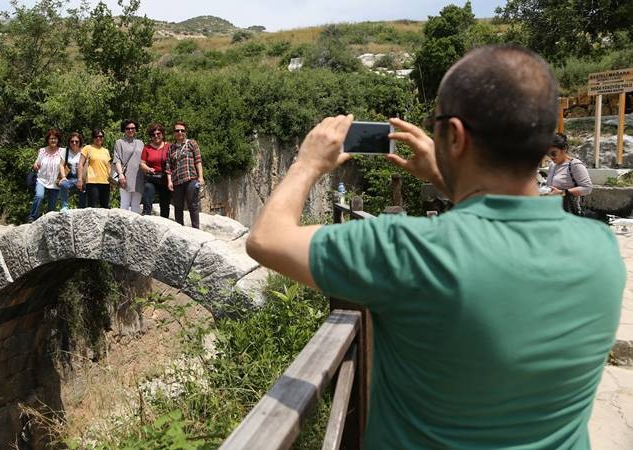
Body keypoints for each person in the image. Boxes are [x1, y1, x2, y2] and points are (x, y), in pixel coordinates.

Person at [246, 45, 624, 449]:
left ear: (456, 135)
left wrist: (307, 162)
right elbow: (496, 227)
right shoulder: (600, 249)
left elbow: (267, 238)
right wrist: (451, 180)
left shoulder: (406, 249)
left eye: (436, 123)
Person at [166, 121, 204, 228]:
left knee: (193, 205)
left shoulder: (192, 144)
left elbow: (198, 161)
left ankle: (196, 229)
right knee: (178, 206)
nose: (180, 132)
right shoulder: (171, 148)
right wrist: (169, 181)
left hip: (191, 178)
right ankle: (180, 230)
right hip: (177, 181)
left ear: (185, 132)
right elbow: (168, 166)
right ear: (174, 132)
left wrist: (201, 177)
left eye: (182, 130)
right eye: (177, 130)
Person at [545, 132, 592, 215]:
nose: (551, 157)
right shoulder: (552, 165)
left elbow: (587, 188)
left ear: (564, 149)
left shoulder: (575, 165)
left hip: (569, 213)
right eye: (548, 154)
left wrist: (563, 192)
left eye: (553, 153)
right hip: (552, 211)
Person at [27, 128, 64, 222]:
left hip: (55, 182)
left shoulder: (62, 151)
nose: (53, 140)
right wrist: (35, 165)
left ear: (58, 140)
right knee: (39, 196)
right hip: (42, 180)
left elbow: (66, 164)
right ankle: (32, 216)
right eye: (51, 138)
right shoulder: (42, 151)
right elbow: (37, 163)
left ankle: (48, 222)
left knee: (51, 207)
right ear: (48, 140)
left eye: (55, 138)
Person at [140, 122, 171, 217]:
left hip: (165, 177)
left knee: (165, 203)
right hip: (152, 176)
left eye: (158, 134)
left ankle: (165, 221)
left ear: (162, 134)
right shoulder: (147, 148)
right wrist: (148, 168)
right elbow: (142, 163)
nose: (156, 136)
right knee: (148, 190)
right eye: (153, 135)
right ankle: (146, 216)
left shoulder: (169, 146)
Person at [113, 119, 145, 213]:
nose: (130, 130)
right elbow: (117, 159)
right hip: (125, 176)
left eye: (133, 128)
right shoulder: (119, 142)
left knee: (136, 205)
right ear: (124, 129)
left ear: (136, 129)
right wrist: (120, 174)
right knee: (124, 204)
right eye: (128, 128)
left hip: (139, 177)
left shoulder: (140, 143)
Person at [77, 129, 111, 209]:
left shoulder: (106, 151)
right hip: (92, 182)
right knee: (92, 207)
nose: (98, 138)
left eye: (100, 136)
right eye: (96, 136)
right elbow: (80, 164)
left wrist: (112, 181)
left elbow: (108, 167)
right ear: (93, 138)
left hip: (105, 182)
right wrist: (80, 179)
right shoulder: (87, 148)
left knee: (105, 207)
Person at [58, 132, 87, 211]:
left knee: (85, 187)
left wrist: (83, 179)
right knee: (63, 185)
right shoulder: (65, 151)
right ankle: (64, 206)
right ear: (69, 142)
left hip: (80, 177)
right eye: (72, 141)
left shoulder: (84, 151)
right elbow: (61, 165)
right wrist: (63, 177)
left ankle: (82, 208)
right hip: (69, 177)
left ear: (80, 142)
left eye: (76, 141)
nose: (74, 143)